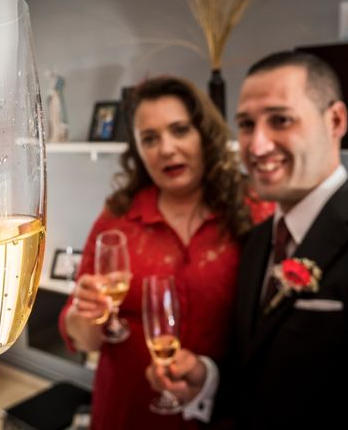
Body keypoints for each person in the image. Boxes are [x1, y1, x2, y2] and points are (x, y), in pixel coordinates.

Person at [147, 51, 348, 429]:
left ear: (335, 121)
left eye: (280, 120)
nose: (256, 146)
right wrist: (207, 379)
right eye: (247, 125)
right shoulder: (256, 243)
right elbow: (260, 373)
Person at [58, 75, 274, 430]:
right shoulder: (118, 218)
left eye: (180, 130)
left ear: (204, 134)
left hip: (221, 408)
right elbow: (83, 337)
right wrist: (86, 316)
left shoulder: (254, 211)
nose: (166, 149)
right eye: (150, 139)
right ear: (139, 152)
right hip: (128, 410)